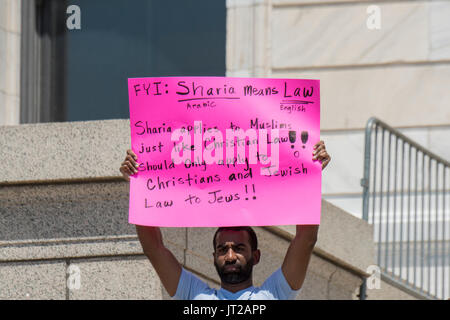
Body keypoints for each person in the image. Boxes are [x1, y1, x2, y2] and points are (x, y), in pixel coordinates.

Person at [120, 140, 331, 300]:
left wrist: (310, 174)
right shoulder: (194, 296)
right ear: (213, 257)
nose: (230, 256)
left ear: (256, 256)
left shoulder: (274, 294)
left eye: (239, 248)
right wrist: (139, 183)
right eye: (222, 250)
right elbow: (154, 248)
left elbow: (306, 238)